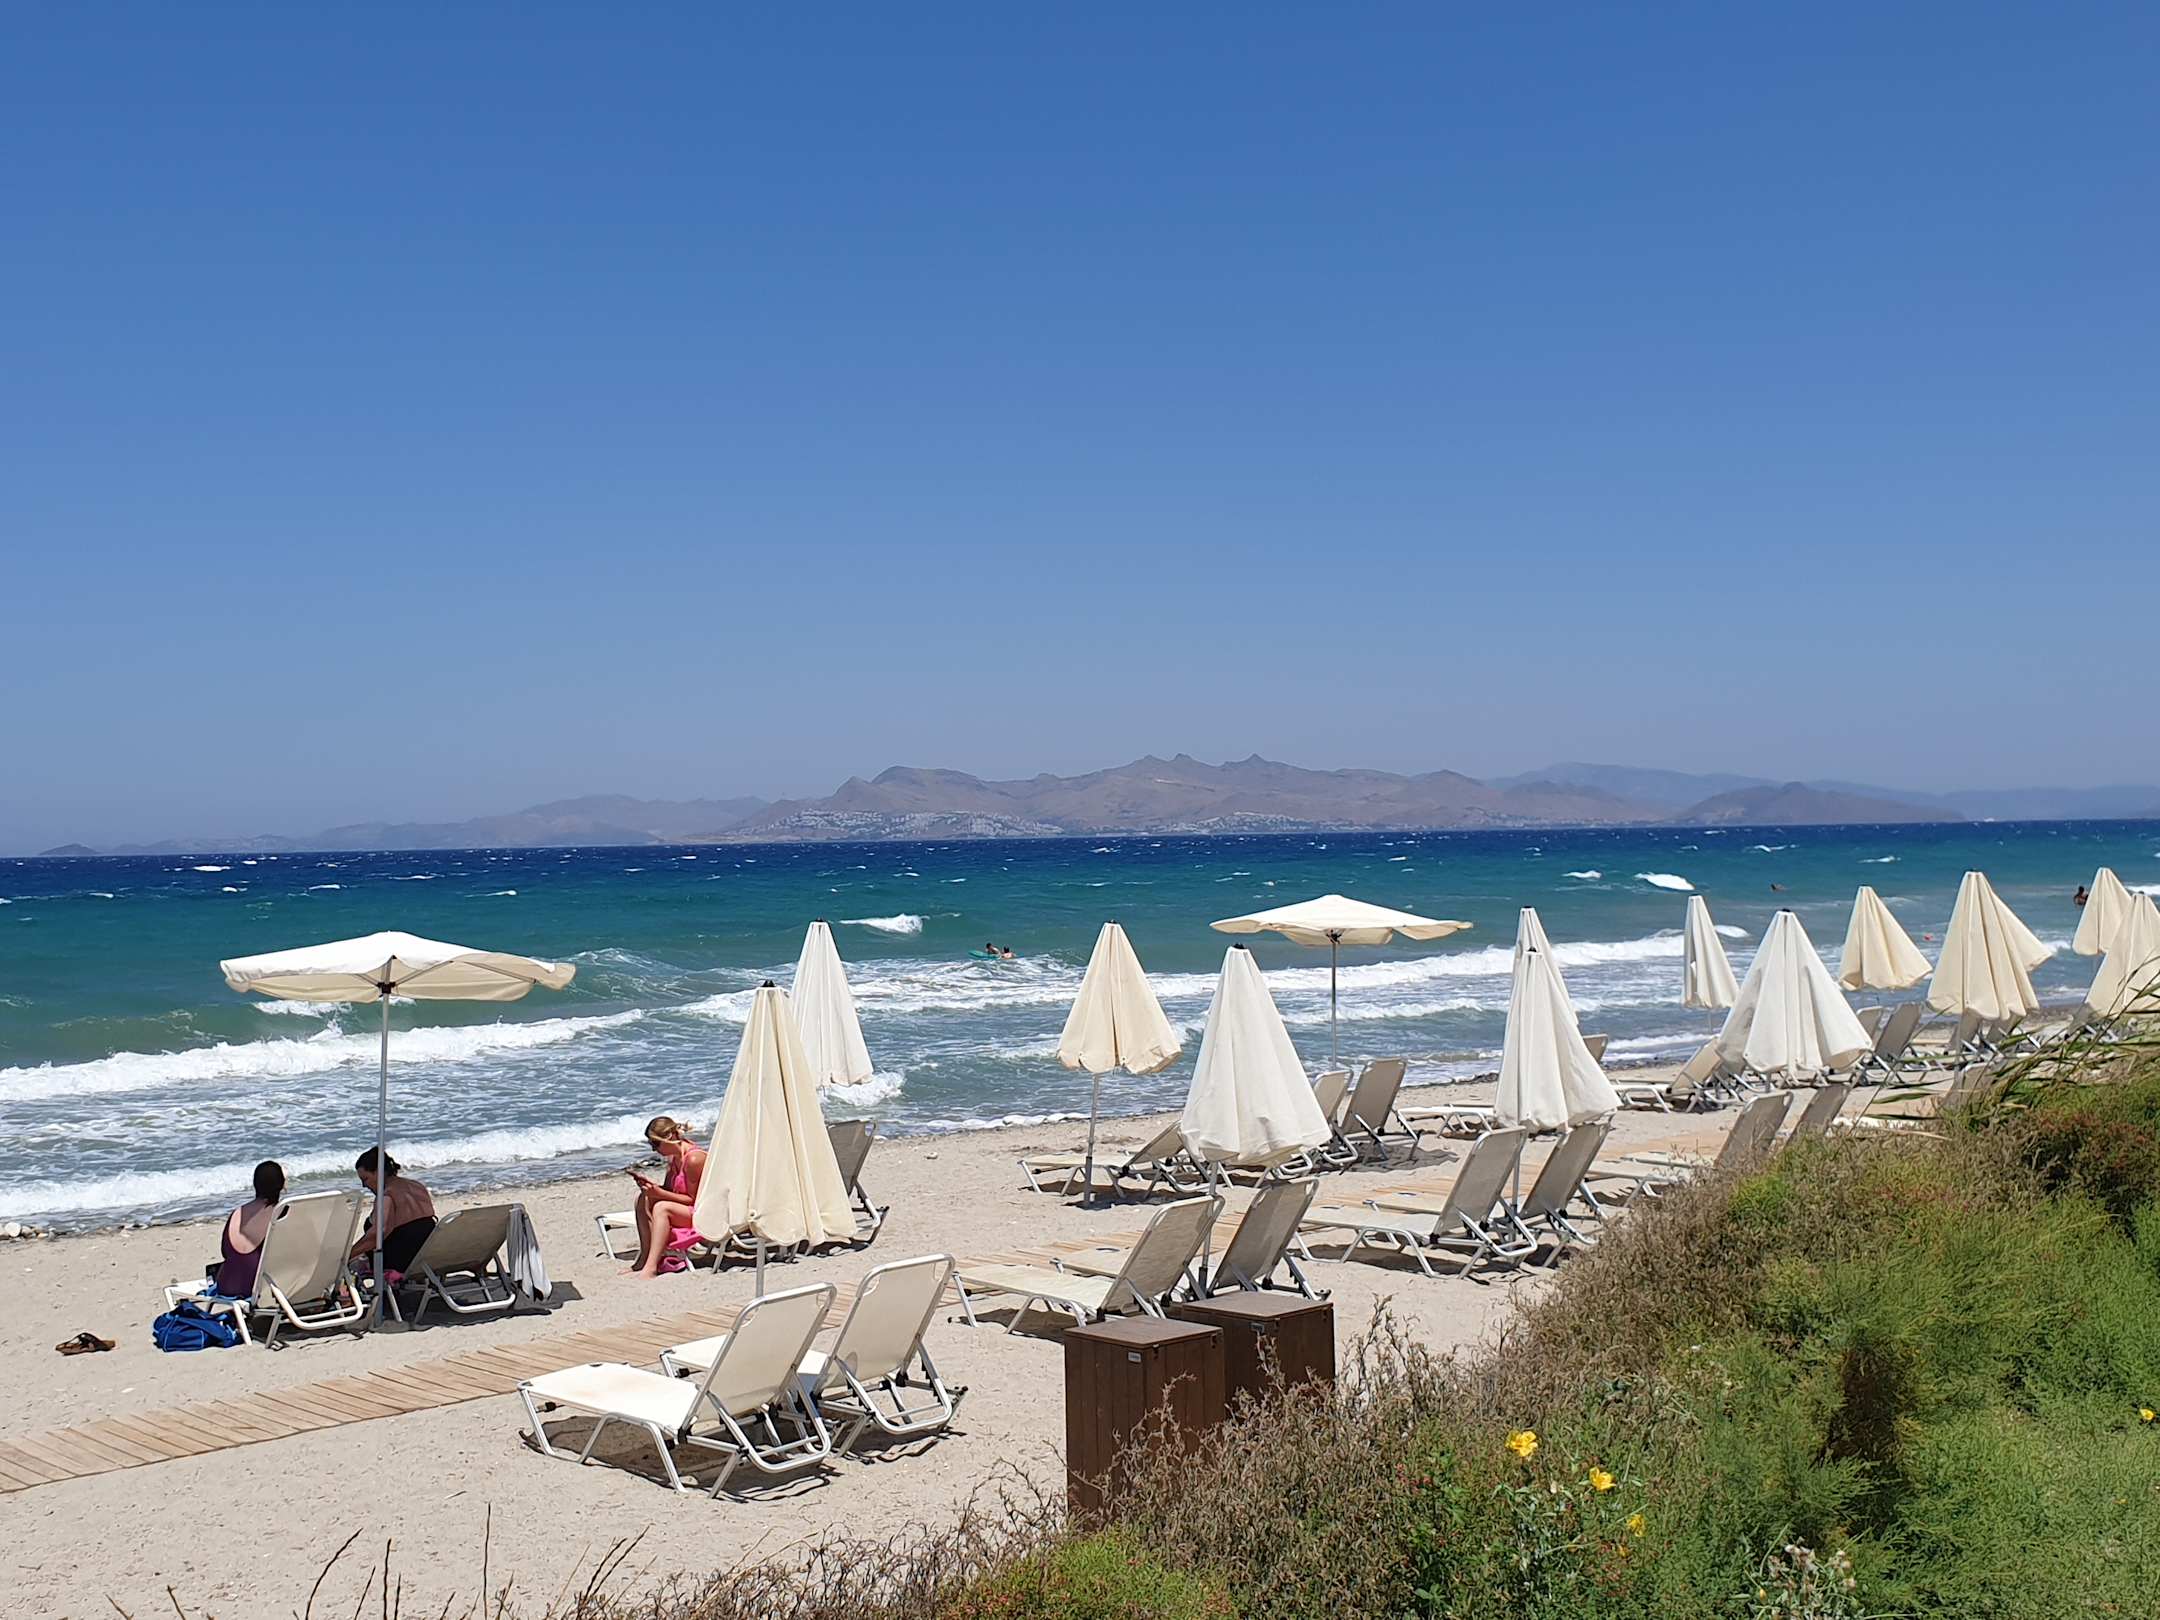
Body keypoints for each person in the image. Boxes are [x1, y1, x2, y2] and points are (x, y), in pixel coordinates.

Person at [626, 1116, 706, 1279]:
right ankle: (644, 1257)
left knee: (662, 1208)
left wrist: (659, 1194)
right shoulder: (674, 1159)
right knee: (643, 1198)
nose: (653, 1150)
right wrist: (651, 1188)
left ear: (669, 1136)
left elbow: (694, 1200)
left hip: (703, 1212)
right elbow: (670, 1191)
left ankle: (651, 1267)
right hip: (687, 1209)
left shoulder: (694, 1159)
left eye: (656, 1144)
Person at [351, 1148, 437, 1281]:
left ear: (378, 1172)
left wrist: (347, 1255)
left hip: (401, 1261)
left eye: (365, 1179)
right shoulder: (417, 1186)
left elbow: (378, 1235)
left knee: (353, 1262)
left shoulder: (387, 1195)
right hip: (426, 1255)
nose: (364, 1185)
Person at [211, 1160, 285, 1297]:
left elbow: (225, 1252)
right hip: (263, 1289)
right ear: (282, 1185)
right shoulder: (283, 1214)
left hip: (227, 1286)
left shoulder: (237, 1213)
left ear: (255, 1185)